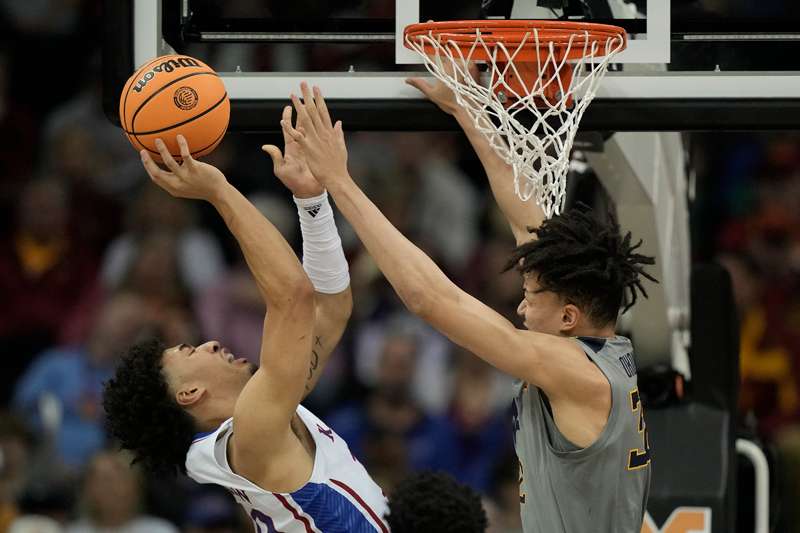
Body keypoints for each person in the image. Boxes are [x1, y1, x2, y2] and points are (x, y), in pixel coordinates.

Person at [284, 81, 657, 532]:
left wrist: (339, 181)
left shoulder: (576, 370)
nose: (521, 309)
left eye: (529, 297)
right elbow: (526, 217)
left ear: (567, 317)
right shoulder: (601, 352)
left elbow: (431, 299)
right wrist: (467, 111)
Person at [103, 115, 390, 531]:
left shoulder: (264, 414)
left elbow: (330, 309)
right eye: (190, 350)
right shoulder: (252, 434)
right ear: (189, 393)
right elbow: (293, 297)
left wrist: (311, 202)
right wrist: (218, 190)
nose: (210, 344)